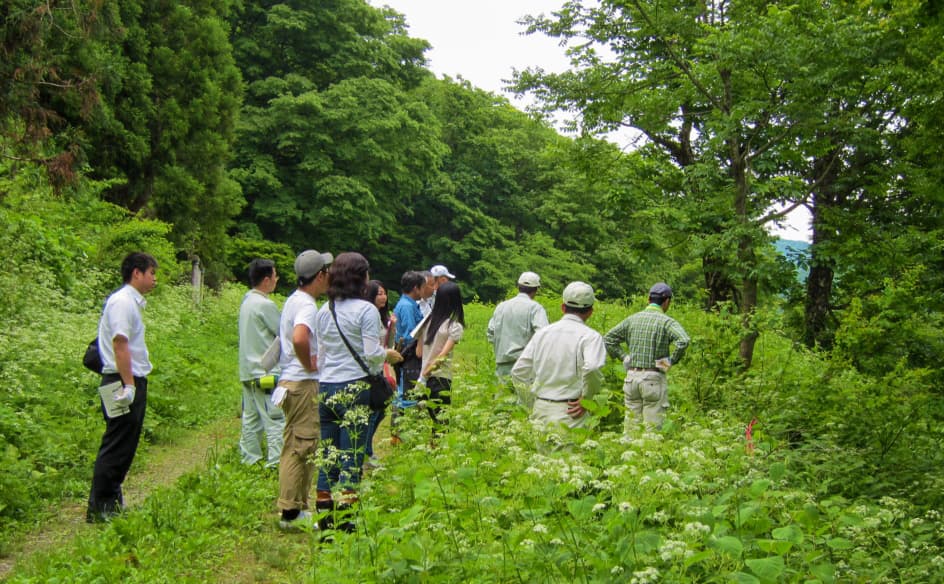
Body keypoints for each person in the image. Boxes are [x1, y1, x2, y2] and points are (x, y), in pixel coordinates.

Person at [314, 253, 401, 518]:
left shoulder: (324, 310)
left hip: (326, 386)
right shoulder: (366, 310)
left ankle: (324, 514)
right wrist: (389, 354)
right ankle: (347, 517)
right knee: (351, 453)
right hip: (354, 386)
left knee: (328, 452)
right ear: (361, 278)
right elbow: (371, 352)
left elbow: (321, 355)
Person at [87, 252, 158, 523]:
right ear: (136, 273)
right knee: (116, 443)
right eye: (151, 273)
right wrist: (128, 385)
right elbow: (120, 343)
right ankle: (101, 507)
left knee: (125, 444)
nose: (154, 279)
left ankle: (112, 502)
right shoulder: (122, 302)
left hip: (128, 380)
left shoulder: (130, 303)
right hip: (120, 381)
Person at [273, 249, 332, 531]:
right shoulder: (307, 306)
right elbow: (299, 337)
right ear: (320, 276)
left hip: (290, 381)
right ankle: (290, 512)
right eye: (327, 273)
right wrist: (309, 364)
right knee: (301, 448)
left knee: (296, 445)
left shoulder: (294, 299)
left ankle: (295, 508)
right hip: (301, 384)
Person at [511, 282, 607, 447]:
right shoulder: (591, 336)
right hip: (570, 411)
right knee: (566, 466)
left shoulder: (542, 333)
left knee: (541, 467)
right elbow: (592, 368)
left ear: (563, 307)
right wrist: (587, 399)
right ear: (590, 311)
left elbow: (518, 372)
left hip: (540, 408)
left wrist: (530, 402)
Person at [603, 282, 690, 432]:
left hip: (631, 378)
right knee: (652, 430)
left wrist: (624, 357)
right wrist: (668, 362)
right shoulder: (666, 322)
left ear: (648, 299)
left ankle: (629, 453)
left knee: (631, 428)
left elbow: (608, 338)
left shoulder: (632, 319)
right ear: (667, 301)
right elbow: (684, 340)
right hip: (653, 378)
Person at [237, 259, 284, 467]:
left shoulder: (246, 301)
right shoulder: (265, 304)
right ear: (266, 280)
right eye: (275, 276)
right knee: (275, 418)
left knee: (251, 420)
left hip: (248, 371)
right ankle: (275, 463)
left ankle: (250, 461)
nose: (276, 280)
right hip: (265, 372)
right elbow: (283, 332)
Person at [414, 281, 465, 431]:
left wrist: (422, 378)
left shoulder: (427, 321)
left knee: (428, 421)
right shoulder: (454, 326)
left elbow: (419, 352)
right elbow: (442, 356)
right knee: (441, 426)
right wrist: (426, 374)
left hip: (423, 380)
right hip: (440, 378)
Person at [486, 271, 549, 385]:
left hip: (502, 365)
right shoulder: (535, 308)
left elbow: (490, 333)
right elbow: (544, 335)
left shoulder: (501, 306)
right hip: (525, 366)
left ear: (518, 287)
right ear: (536, 289)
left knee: (503, 400)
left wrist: (501, 348)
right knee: (524, 401)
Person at [363, 279, 397, 466]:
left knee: (382, 407)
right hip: (371, 368)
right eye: (379, 293)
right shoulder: (367, 316)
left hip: (382, 367)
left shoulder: (384, 317)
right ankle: (367, 450)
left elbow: (389, 345)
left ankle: (367, 448)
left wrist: (392, 327)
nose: (383, 297)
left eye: (384, 293)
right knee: (374, 410)